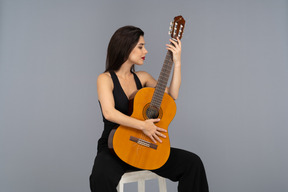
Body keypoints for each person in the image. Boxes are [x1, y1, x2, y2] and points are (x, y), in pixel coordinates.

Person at [89, 25, 209, 192]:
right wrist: (143, 126)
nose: (145, 51)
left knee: (192, 163)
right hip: (115, 147)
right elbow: (109, 113)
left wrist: (178, 62)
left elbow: (172, 95)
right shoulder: (105, 79)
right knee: (100, 175)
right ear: (125, 47)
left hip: (147, 146)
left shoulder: (143, 77)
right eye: (140, 47)